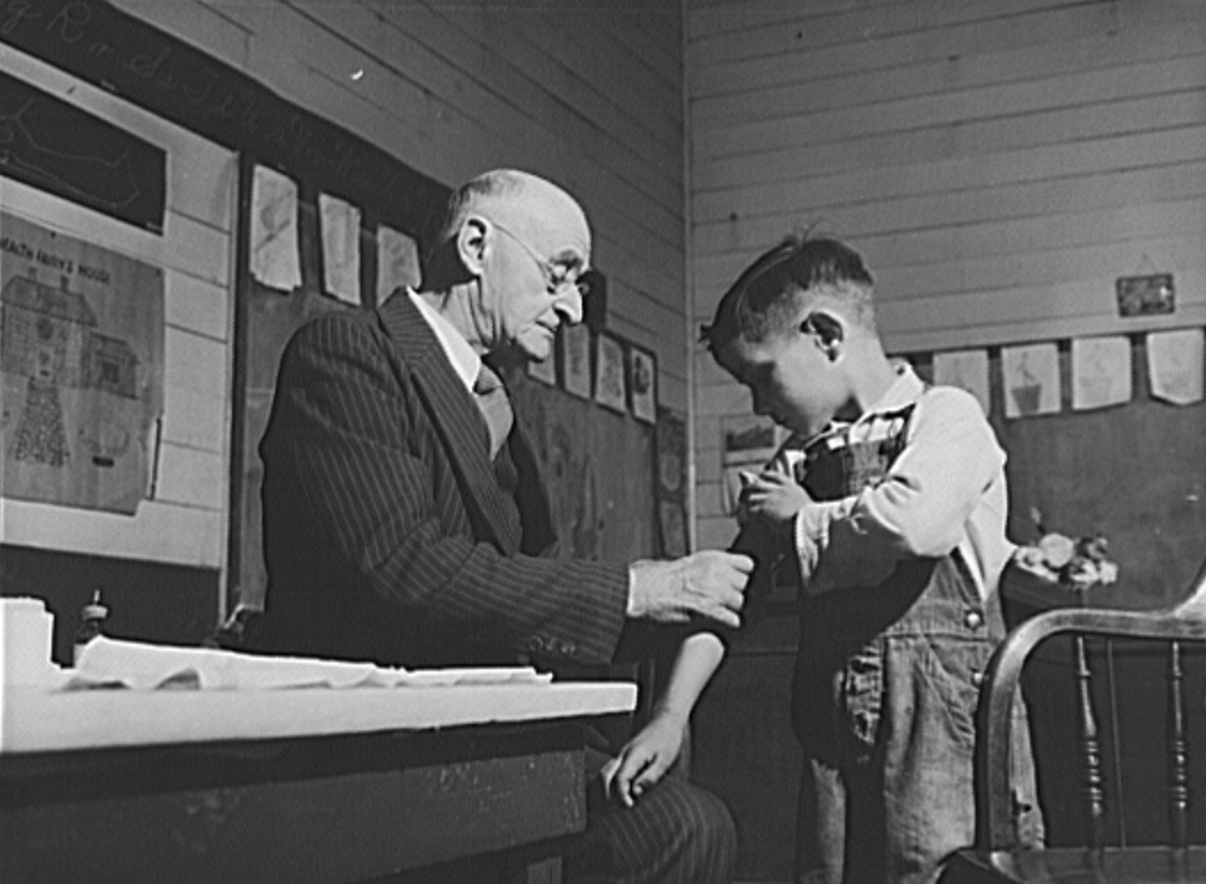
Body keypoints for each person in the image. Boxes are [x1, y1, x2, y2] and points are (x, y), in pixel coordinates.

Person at [249, 168, 752, 883]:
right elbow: (403, 567)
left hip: (485, 739)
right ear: (477, 247)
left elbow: (528, 587)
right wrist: (637, 593)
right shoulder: (348, 352)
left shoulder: (496, 404)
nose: (573, 309)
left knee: (691, 826)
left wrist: (677, 625)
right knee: (677, 829)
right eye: (559, 275)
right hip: (375, 757)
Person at [700, 234, 1045, 884]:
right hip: (833, 729)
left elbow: (913, 526)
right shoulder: (800, 460)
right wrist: (669, 719)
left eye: (761, 376)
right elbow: (733, 586)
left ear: (825, 335)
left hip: (940, 725)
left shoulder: (946, 416)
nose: (759, 407)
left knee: (938, 873)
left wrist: (801, 520)